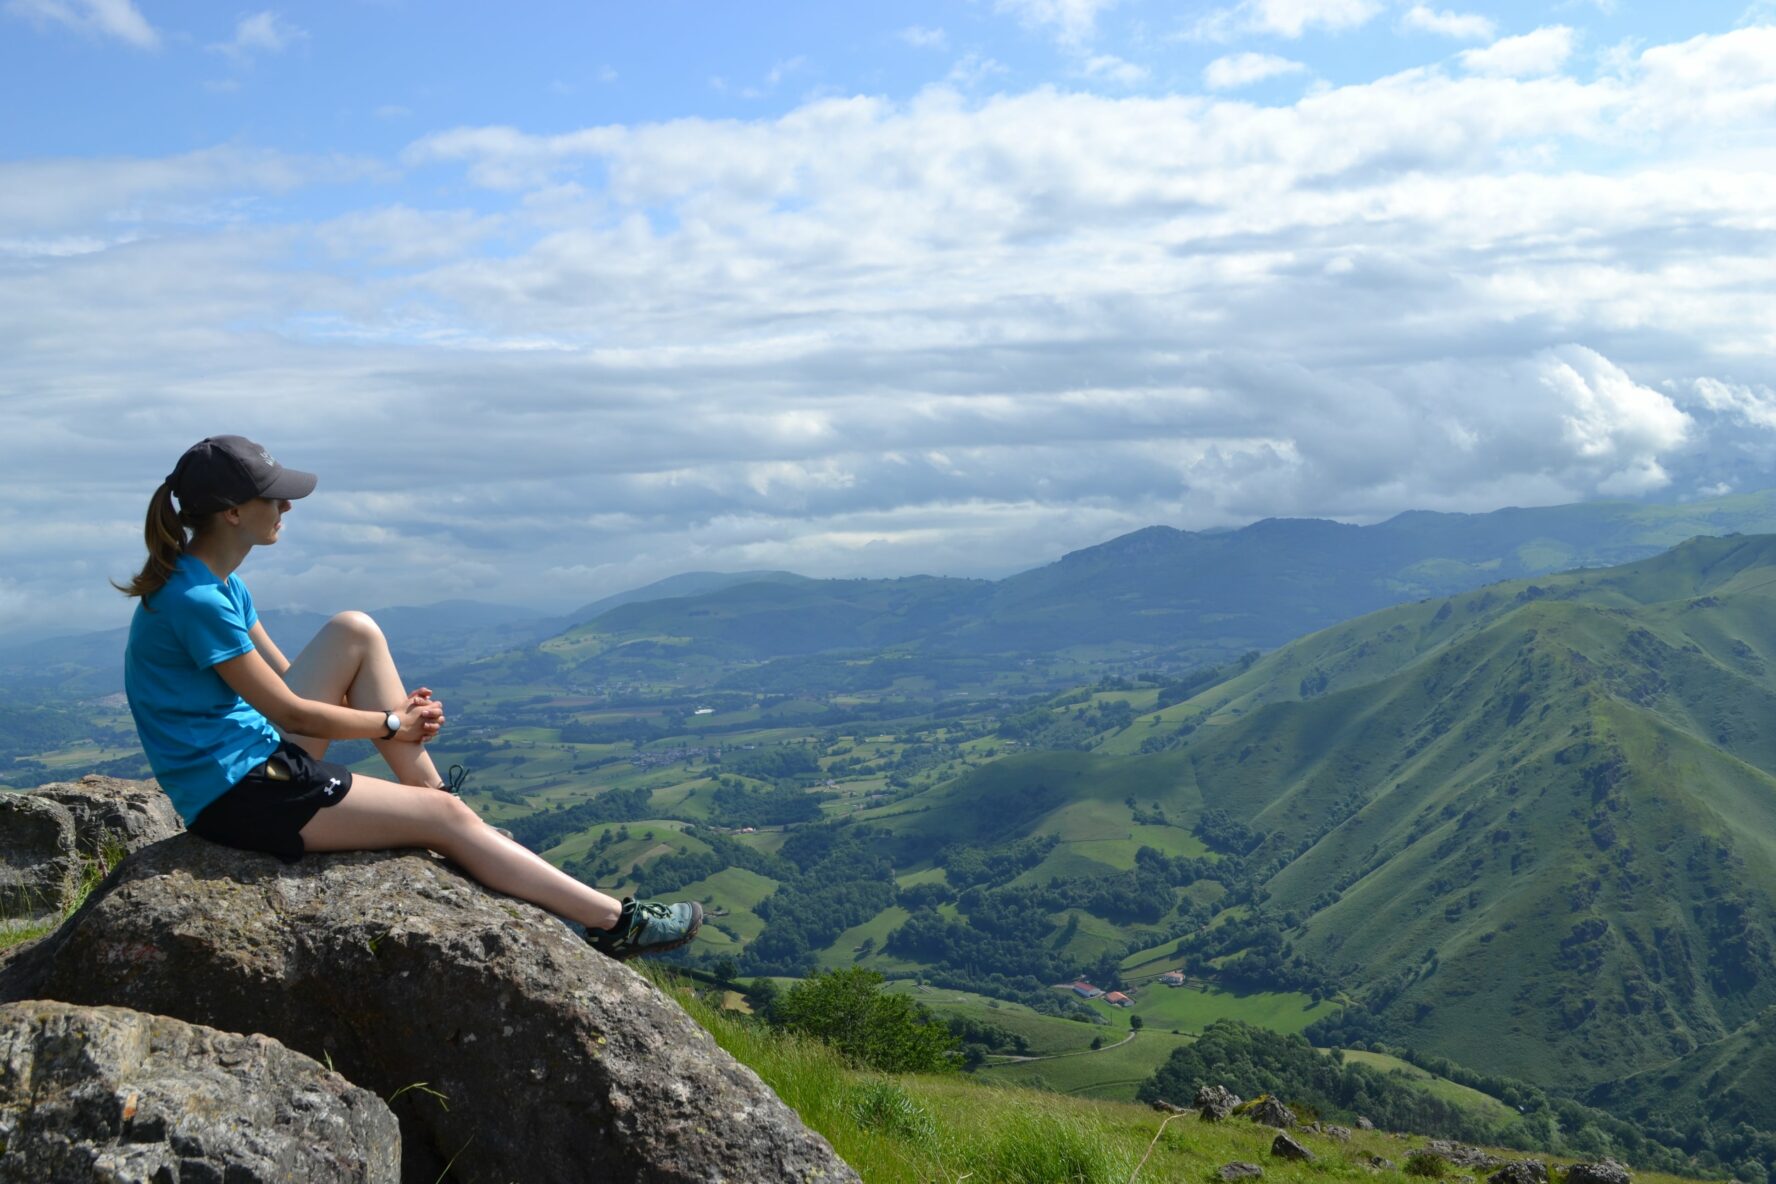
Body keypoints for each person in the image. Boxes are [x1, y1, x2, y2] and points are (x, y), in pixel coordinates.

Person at [115, 435, 700, 960]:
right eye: (275, 497)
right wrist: (391, 723)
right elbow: (289, 711)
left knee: (354, 630)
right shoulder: (198, 602)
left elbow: (291, 678)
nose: (287, 507)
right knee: (442, 821)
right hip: (240, 795)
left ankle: (439, 803)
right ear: (233, 513)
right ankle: (614, 922)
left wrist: (394, 715)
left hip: (253, 759)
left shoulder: (217, 583)